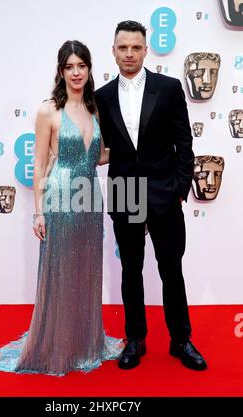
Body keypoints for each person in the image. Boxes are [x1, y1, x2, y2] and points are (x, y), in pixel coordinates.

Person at [0, 40, 122, 376]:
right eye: (69, 66)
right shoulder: (48, 110)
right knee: (60, 272)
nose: (76, 72)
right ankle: (56, 345)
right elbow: (40, 162)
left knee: (87, 270)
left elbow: (98, 156)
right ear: (61, 71)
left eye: (81, 66)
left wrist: (129, 147)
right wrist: (39, 211)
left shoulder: (94, 108)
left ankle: (85, 343)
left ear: (89, 69)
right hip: (60, 198)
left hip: (89, 198)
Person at [95, 21, 207, 371]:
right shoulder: (102, 96)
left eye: (136, 47)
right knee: (130, 269)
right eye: (123, 48)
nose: (129, 54)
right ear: (113, 51)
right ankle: (135, 339)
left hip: (164, 191)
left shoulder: (170, 88)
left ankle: (181, 340)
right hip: (125, 190)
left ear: (146, 50)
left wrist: (178, 189)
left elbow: (184, 144)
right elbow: (103, 148)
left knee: (171, 268)